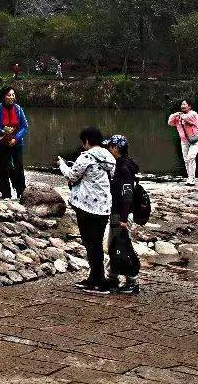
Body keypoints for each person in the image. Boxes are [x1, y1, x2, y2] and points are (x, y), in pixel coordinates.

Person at [57, 126, 115, 294]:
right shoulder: (109, 157)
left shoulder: (86, 157)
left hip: (87, 206)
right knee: (96, 242)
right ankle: (94, 277)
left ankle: (99, 282)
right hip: (104, 207)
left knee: (91, 244)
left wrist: (62, 164)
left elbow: (71, 176)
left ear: (87, 141)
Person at [104, 134, 140, 295]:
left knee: (122, 246)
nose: (108, 149)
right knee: (114, 245)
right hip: (117, 213)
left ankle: (131, 280)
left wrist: (124, 219)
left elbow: (127, 194)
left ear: (116, 148)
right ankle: (113, 277)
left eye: (110, 147)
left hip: (122, 215)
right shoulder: (124, 165)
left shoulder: (123, 168)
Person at [0, 86, 28, 199]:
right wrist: (1, 131)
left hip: (16, 143)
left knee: (18, 167)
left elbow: (24, 127)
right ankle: (6, 194)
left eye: (13, 95)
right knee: (3, 169)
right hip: (2, 143)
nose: (11, 97)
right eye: (9, 95)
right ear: (3, 97)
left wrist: (16, 138)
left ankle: (21, 192)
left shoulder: (18, 109)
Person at [167, 100, 198, 182]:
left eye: (184, 104)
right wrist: (175, 115)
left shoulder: (193, 114)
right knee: (186, 159)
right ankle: (190, 177)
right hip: (184, 141)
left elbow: (189, 119)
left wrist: (181, 116)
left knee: (191, 157)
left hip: (195, 140)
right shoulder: (178, 116)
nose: (182, 106)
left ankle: (192, 178)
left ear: (189, 106)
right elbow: (170, 123)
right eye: (181, 104)